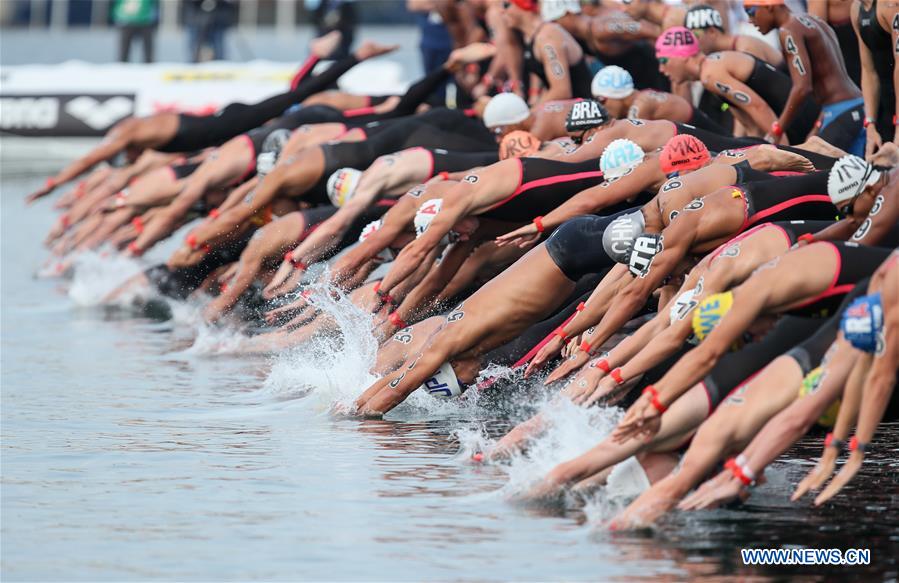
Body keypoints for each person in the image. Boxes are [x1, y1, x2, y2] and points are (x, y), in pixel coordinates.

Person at [25, 35, 390, 204]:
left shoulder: (125, 134)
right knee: (290, 102)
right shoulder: (138, 135)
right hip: (218, 123)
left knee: (294, 99)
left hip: (221, 126)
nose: (129, 159)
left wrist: (53, 183)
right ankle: (322, 58)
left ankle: (354, 58)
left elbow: (91, 159)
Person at [654, 26, 820, 144]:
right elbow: (750, 124)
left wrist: (783, 148)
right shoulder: (711, 71)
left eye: (664, 60)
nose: (661, 69)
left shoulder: (711, 74)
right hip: (795, 118)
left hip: (804, 119)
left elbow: (758, 107)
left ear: (682, 56)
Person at [743, 0, 866, 155]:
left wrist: (777, 129)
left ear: (769, 6)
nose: (749, 20)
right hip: (855, 105)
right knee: (858, 169)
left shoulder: (788, 30)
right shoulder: (812, 20)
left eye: (750, 12)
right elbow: (829, 81)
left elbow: (802, 88)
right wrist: (818, 125)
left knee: (810, 163)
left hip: (841, 112)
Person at [851, 0, 898, 158]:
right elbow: (868, 70)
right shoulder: (856, 9)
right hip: (887, 105)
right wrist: (870, 124)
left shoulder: (891, 6)